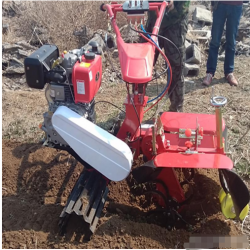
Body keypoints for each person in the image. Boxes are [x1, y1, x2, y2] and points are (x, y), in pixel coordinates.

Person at [144, 1, 190, 112]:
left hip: (175, 21)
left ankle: (176, 110)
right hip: (154, 20)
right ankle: (136, 105)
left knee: (175, 67)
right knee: (142, 64)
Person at [203, 1, 246, 86]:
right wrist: (212, 3)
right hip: (220, 5)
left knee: (231, 41)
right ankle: (210, 72)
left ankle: (229, 72)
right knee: (215, 40)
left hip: (236, 6)